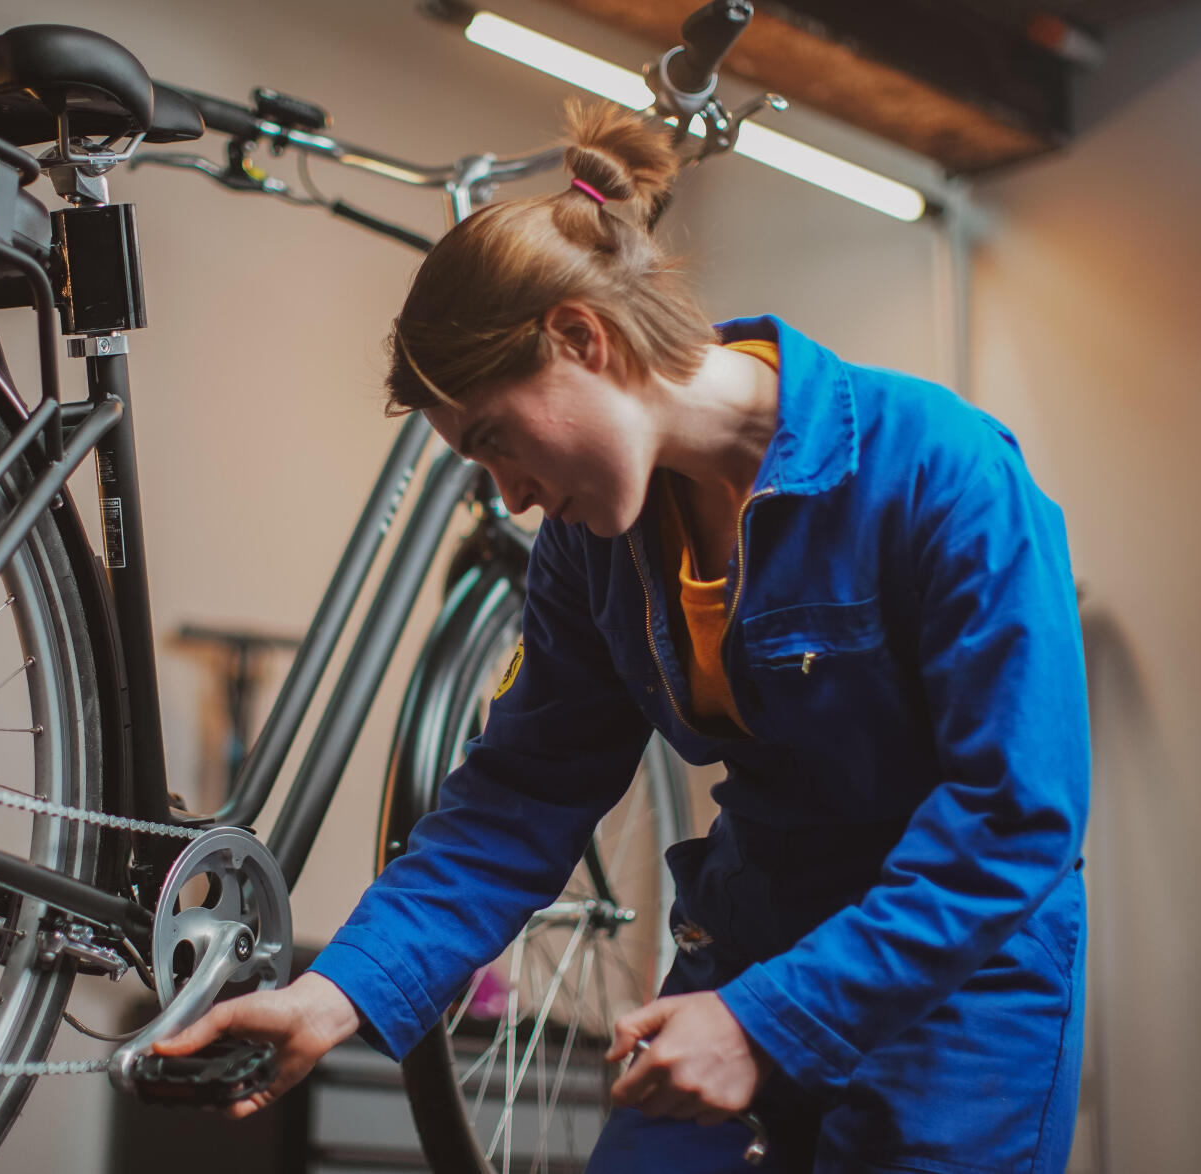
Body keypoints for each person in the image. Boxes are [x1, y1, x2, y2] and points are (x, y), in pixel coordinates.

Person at [155, 100, 1090, 1173]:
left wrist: (766, 1021)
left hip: (957, 985)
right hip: (749, 943)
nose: (506, 496)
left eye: (497, 439)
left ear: (579, 338)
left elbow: (1016, 815)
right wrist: (335, 993)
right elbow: (518, 795)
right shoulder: (590, 552)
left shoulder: (944, 471)